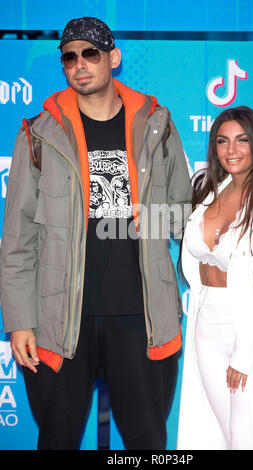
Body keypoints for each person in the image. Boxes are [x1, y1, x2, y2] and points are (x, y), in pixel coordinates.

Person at [0, 17, 192, 450]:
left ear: (114, 58)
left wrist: (154, 217)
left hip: (140, 317)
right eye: (69, 57)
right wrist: (19, 322)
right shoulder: (38, 134)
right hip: (60, 320)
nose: (80, 64)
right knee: (57, 440)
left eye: (91, 53)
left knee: (147, 445)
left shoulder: (156, 125)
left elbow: (186, 215)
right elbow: (16, 239)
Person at [177, 106, 253, 450]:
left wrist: (244, 356)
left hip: (252, 332)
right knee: (222, 434)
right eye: (222, 141)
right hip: (206, 325)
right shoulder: (206, 192)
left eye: (242, 140)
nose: (231, 150)